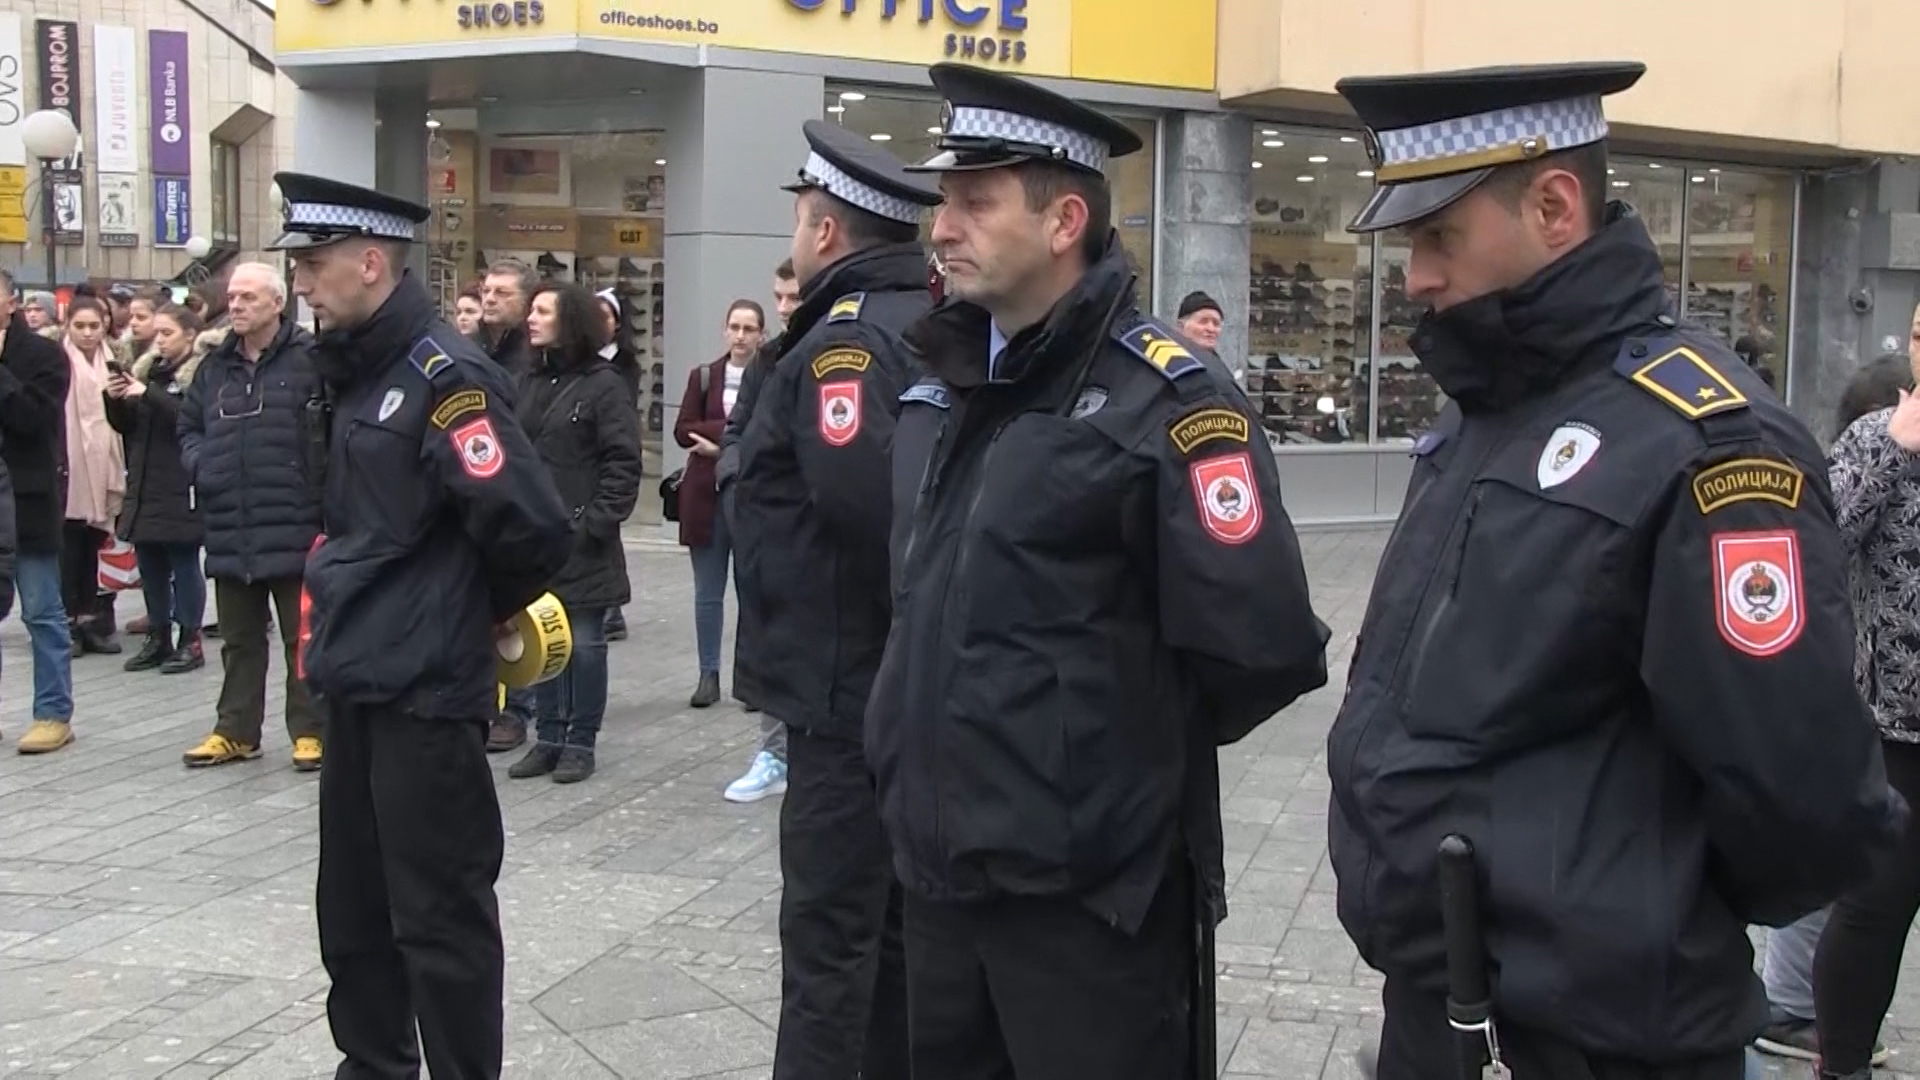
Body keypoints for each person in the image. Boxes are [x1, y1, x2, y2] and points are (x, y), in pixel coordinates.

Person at [1321, 62, 1903, 1080]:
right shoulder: (1484, 414)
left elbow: (1801, 794)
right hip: (1447, 1009)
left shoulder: (1707, 442)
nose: (1412, 276)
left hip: (1605, 1037)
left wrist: (1625, 902)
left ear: (1553, 206)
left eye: (1436, 235)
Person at [866, 64, 1329, 1080]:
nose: (943, 226)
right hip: (944, 885)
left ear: (1065, 217)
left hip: (1085, 910)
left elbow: (1262, 645)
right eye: (944, 200)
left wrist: (1094, 756)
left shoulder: (1165, 399)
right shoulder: (959, 381)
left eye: (974, 202)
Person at [270, 170, 572, 1080]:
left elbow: (532, 528)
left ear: (371, 262)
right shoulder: (357, 370)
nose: (303, 283)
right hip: (357, 677)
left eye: (315, 263)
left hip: (425, 693)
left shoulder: (445, 378)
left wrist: (458, 614)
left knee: (439, 922)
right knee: (354, 917)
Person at [731, 118, 943, 1079]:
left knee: (828, 952)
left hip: (844, 695)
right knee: (892, 944)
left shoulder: (844, 349)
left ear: (823, 234)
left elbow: (872, 523)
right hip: (889, 694)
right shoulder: (923, 324)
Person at [1811, 350, 1920, 1080]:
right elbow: (1819, 539)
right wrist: (1893, 449)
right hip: (1893, 726)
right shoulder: (1876, 438)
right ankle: (1842, 1066)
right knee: (1872, 912)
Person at [176, 262, 328, 771]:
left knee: (300, 637)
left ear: (277, 304)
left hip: (295, 518)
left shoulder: (311, 359)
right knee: (239, 640)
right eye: (233, 297)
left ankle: (310, 730)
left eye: (248, 298)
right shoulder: (215, 365)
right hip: (230, 520)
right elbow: (188, 426)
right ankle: (235, 730)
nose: (236, 306)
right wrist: (202, 465)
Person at [505, 282, 641, 785]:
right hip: (536, 540)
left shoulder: (604, 384)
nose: (531, 319)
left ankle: (580, 741)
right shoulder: (530, 381)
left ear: (570, 320)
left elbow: (623, 461)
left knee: (584, 643)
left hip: (584, 541)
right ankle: (550, 737)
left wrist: (595, 523)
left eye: (542, 311)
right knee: (543, 641)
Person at [719, 258, 801, 801]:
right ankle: (773, 752)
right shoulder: (767, 361)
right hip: (767, 530)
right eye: (780, 296)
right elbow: (736, 432)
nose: (785, 307)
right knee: (772, 638)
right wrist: (734, 483)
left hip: (816, 528)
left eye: (794, 296)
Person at [107, 303, 210, 675]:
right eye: (158, 333)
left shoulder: (199, 373)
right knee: (149, 563)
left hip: (181, 482)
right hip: (146, 481)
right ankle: (158, 634)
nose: (160, 341)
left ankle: (190, 639)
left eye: (168, 333)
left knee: (183, 563)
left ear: (189, 335)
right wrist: (116, 398)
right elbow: (128, 426)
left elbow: (189, 418)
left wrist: (146, 394)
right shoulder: (149, 370)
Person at [676, 299, 763, 711]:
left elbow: (767, 430)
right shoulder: (705, 376)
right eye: (735, 327)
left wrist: (721, 444)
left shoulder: (768, 377)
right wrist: (733, 435)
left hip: (748, 495)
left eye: (749, 328)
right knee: (708, 594)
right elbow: (683, 429)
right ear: (725, 331)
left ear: (761, 334)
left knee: (752, 591)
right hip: (703, 499)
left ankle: (750, 678)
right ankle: (707, 674)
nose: (741, 336)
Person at [0, 270, 74, 754]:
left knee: (42, 612)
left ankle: (53, 712)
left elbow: (33, 420)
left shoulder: (44, 357)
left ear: (9, 302)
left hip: (24, 500)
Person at [475, 263, 540, 752]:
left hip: (521, 492)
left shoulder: (535, 357)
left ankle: (519, 709)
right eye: (486, 290)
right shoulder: (470, 350)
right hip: (476, 492)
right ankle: (482, 701)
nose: (490, 299)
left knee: (521, 610)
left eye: (502, 292)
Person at [57, 297, 126, 659]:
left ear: (104, 326)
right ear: (68, 325)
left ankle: (91, 620)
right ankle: (67, 623)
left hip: (104, 462)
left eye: (94, 326)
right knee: (67, 548)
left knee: (94, 546)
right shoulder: (56, 360)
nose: (87, 333)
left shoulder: (114, 361)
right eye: (79, 326)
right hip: (66, 464)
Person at [594, 288, 640, 643]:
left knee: (606, 531)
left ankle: (612, 607)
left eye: (605, 315)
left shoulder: (623, 363)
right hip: (584, 454)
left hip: (609, 449)